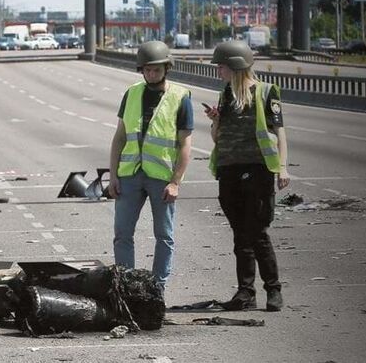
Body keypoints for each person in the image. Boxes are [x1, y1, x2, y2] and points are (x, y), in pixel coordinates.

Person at [204, 40, 290, 312]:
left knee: (257, 233)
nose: (218, 71)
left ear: (235, 66)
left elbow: (280, 134)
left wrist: (283, 167)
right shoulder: (225, 94)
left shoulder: (266, 92)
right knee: (240, 235)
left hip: (257, 170)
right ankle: (246, 293)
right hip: (228, 170)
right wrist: (216, 120)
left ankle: (273, 291)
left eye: (221, 66)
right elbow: (217, 138)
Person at [106, 40, 193, 293]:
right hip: (130, 175)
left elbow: (185, 145)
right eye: (147, 70)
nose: (152, 74)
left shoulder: (180, 97)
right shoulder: (132, 93)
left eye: (156, 69)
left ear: (167, 68)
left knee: (164, 236)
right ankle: (126, 286)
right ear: (141, 70)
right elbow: (119, 137)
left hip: (162, 178)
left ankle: (157, 289)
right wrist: (113, 175)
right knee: (122, 234)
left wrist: (176, 182)